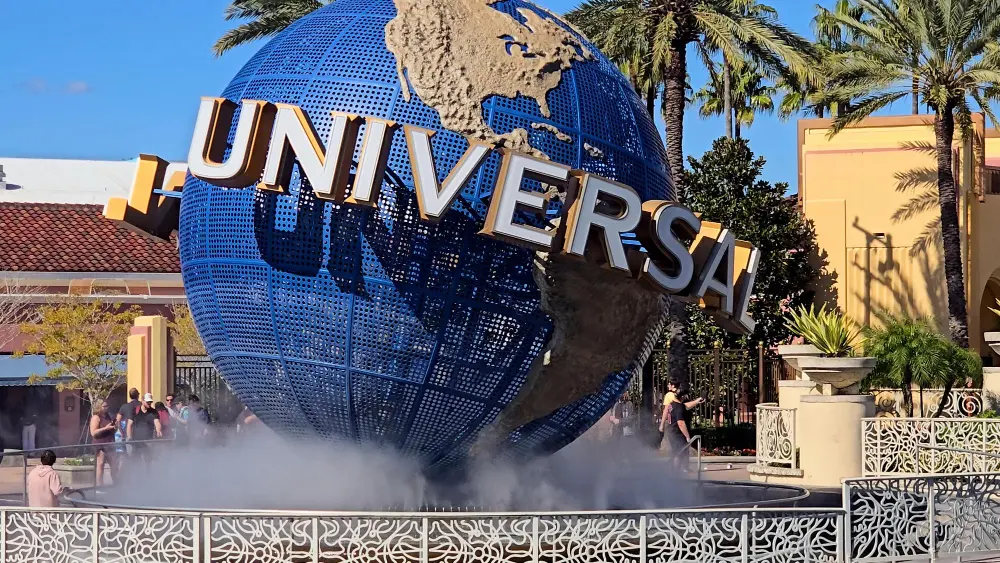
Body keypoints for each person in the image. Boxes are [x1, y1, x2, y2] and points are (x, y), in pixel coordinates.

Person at [661, 386, 704, 471]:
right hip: (677, 433)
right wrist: (687, 436)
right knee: (679, 453)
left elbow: (686, 406)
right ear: (683, 396)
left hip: (671, 431)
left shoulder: (672, 404)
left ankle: (675, 471)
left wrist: (697, 401)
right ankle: (675, 472)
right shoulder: (679, 407)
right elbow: (681, 423)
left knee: (678, 452)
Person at [127, 394, 163, 465]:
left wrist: (158, 431)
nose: (149, 403)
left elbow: (157, 422)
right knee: (135, 462)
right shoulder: (135, 410)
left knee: (148, 462)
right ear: (143, 401)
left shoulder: (154, 412)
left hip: (148, 442)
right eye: (147, 402)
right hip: (136, 442)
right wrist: (129, 438)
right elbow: (129, 425)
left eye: (150, 402)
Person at [89, 401, 117, 486]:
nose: (106, 407)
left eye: (107, 406)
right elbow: (93, 432)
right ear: (99, 407)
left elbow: (112, 430)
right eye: (104, 406)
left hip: (110, 443)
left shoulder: (108, 416)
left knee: (114, 464)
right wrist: (105, 428)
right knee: (100, 465)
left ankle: (116, 483)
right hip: (100, 444)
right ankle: (99, 485)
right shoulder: (96, 417)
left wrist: (114, 427)